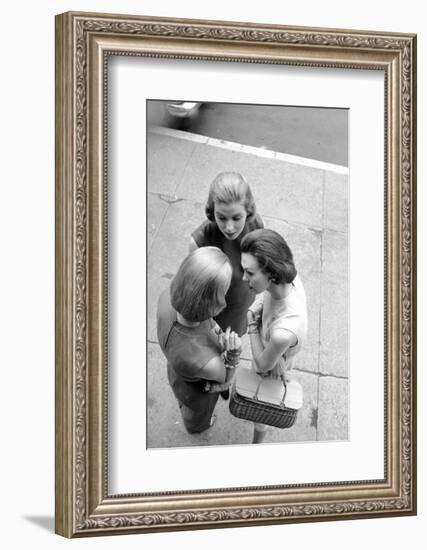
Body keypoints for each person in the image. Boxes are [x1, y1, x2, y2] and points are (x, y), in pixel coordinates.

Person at [157, 247, 242, 434]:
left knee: (183, 401)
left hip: (177, 373)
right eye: (225, 291)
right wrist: (234, 353)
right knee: (196, 416)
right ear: (214, 304)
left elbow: (204, 319)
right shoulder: (207, 362)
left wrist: (213, 327)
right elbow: (225, 378)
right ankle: (199, 426)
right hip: (196, 393)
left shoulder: (166, 298)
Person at [240, 229, 308, 444]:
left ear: (272, 275)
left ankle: (256, 446)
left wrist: (251, 323)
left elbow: (261, 364)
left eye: (250, 273)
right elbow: (269, 297)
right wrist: (259, 304)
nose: (243, 278)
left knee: (261, 410)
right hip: (277, 353)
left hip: (272, 363)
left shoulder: (282, 332)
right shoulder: (290, 278)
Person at [189, 172, 264, 337]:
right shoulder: (200, 242)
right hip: (212, 323)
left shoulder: (257, 225)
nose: (229, 227)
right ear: (212, 211)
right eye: (221, 217)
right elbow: (194, 296)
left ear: (248, 211)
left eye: (236, 218)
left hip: (242, 311)